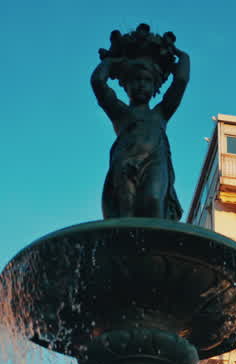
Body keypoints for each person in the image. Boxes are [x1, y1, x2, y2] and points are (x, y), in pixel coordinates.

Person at [91, 31, 189, 221]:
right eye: (135, 80)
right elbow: (97, 82)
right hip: (125, 163)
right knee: (124, 215)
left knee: (154, 201)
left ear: (154, 87)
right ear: (126, 86)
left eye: (147, 81)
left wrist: (181, 55)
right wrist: (112, 62)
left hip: (154, 162)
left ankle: (158, 251)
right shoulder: (120, 113)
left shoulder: (161, 113)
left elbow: (181, 81)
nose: (141, 85)